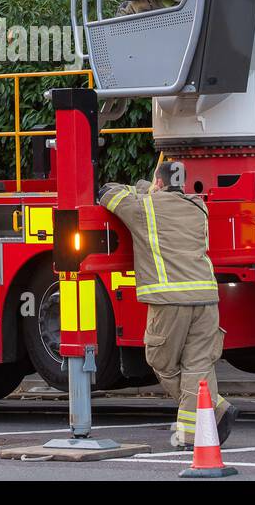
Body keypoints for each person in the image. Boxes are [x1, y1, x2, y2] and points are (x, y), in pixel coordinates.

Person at [99, 162, 236, 447]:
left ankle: (215, 408)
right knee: (198, 365)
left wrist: (140, 189)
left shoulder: (143, 208)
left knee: (160, 360)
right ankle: (194, 433)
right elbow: (161, 197)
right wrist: (150, 189)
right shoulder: (199, 207)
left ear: (157, 183)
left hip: (170, 299)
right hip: (207, 297)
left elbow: (107, 194)